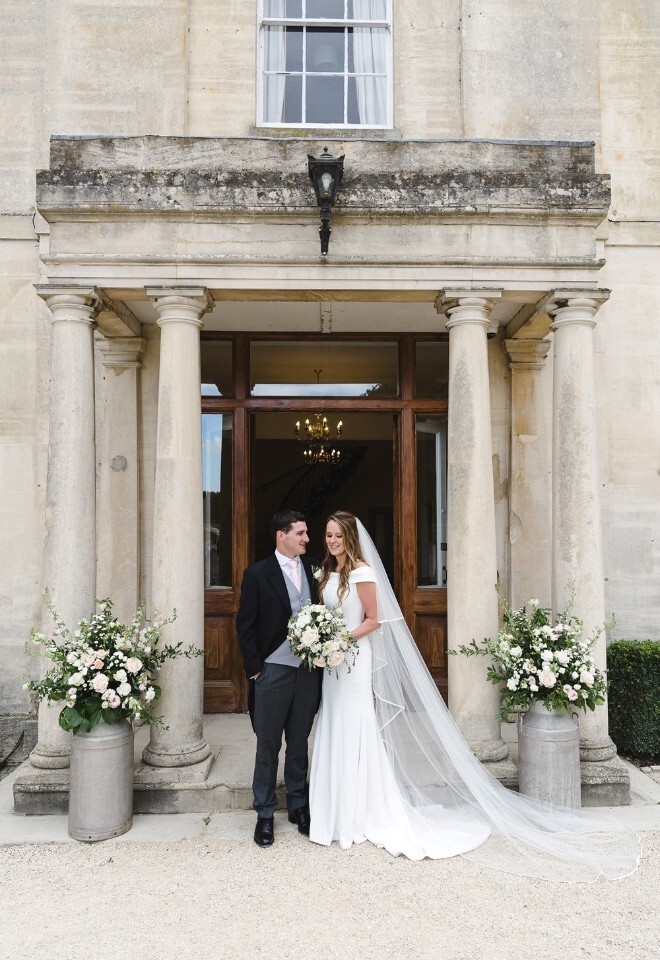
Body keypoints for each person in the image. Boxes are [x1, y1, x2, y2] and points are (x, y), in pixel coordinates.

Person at [309, 511, 641, 881]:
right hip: (332, 666)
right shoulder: (326, 573)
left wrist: (341, 639)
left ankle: (359, 812)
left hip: (353, 662)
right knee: (333, 721)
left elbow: (373, 619)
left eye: (337, 535)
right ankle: (334, 810)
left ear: (350, 537)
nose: (331, 541)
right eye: (328, 535)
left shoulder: (363, 573)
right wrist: (322, 640)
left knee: (355, 726)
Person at [236, 510, 322, 848]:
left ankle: (299, 805)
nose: (306, 539)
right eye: (300, 533)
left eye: (305, 532)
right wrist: (256, 669)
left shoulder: (315, 569)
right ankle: (265, 813)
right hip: (271, 671)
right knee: (268, 743)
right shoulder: (257, 574)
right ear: (281, 536)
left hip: (308, 671)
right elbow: (245, 625)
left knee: (299, 740)